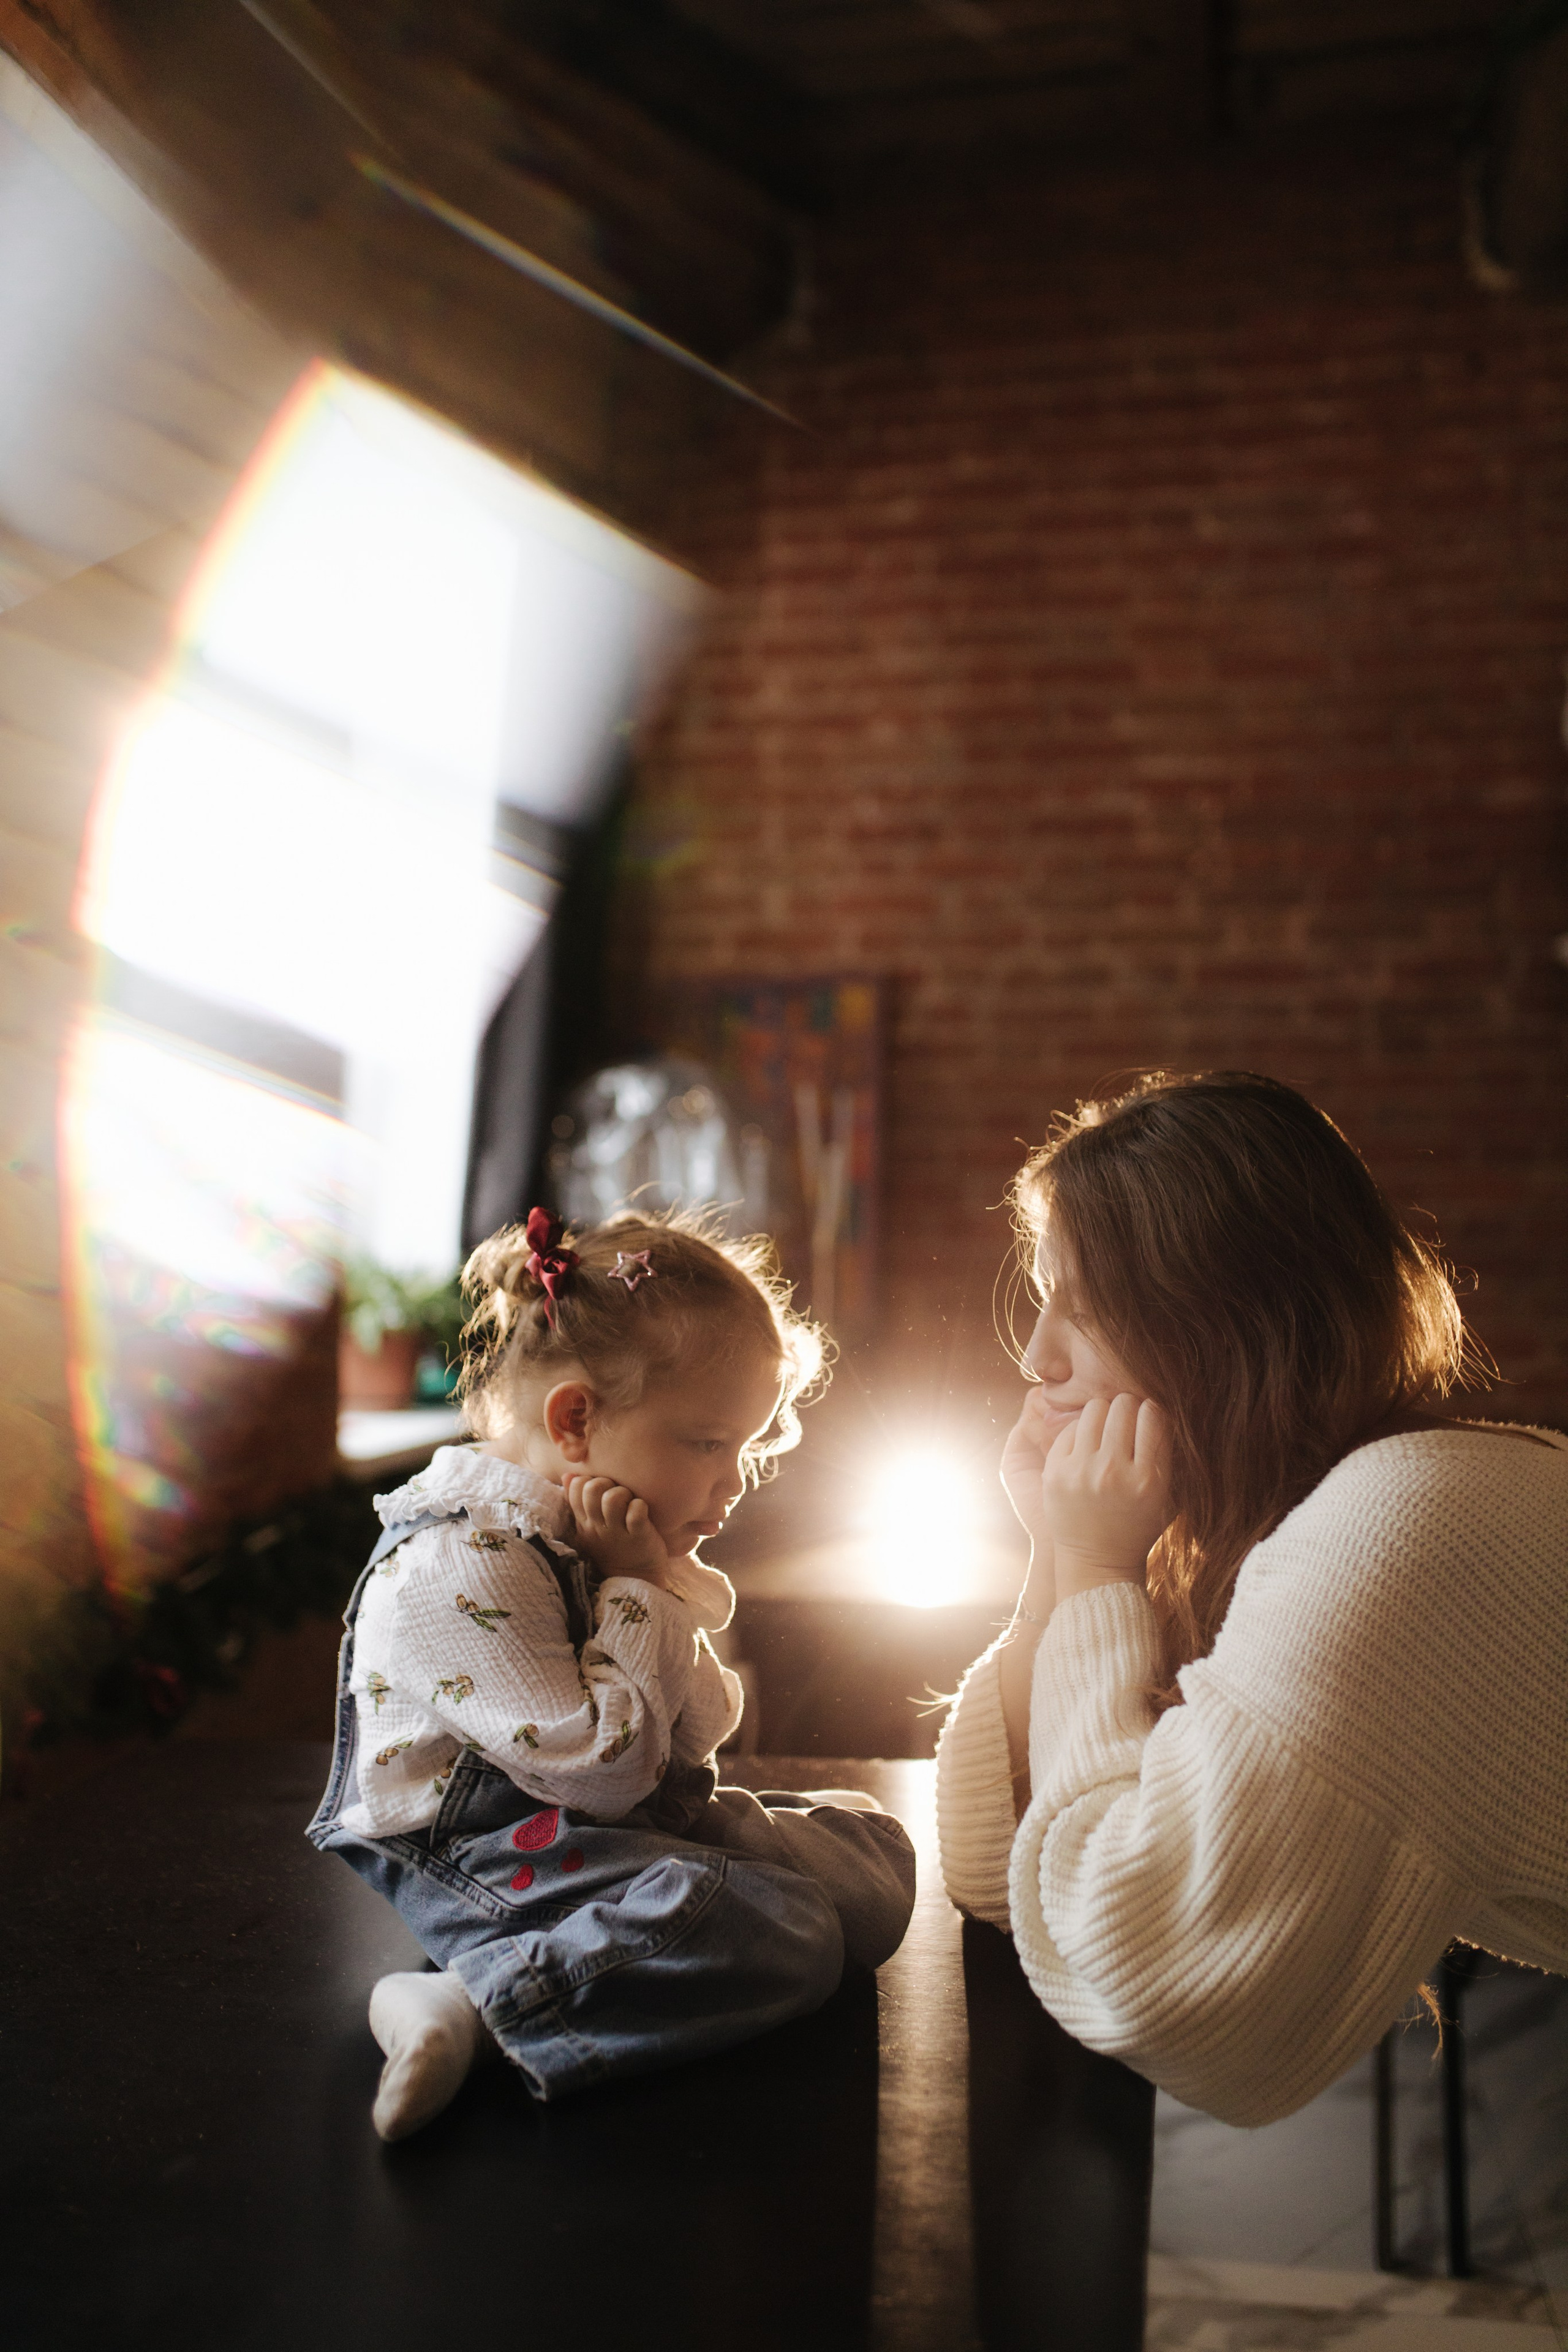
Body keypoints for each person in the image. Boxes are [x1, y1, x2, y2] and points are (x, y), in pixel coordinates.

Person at [937, 1071, 1568, 2127]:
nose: (1037, 1356)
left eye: (1083, 1309)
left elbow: (1148, 1977)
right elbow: (997, 1872)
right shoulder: (1316, 1508)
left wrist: (1095, 1571)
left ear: (1222, 1325)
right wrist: (1055, 1555)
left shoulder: (1401, 1517)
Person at [309, 1207, 914, 2139]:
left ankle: (629, 1938)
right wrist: (636, 1589)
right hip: (489, 1854)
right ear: (577, 1420)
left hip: (610, 1820)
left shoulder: (585, 1534)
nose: (735, 1482)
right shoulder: (463, 1562)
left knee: (872, 1865)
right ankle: (476, 2002)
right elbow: (607, 1772)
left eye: (746, 1449)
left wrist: (653, 1581)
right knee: (791, 1931)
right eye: (709, 1444)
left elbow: (698, 1733)